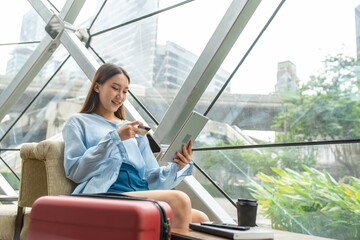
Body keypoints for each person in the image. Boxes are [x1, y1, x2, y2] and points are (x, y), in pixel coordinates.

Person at [62, 63, 209, 229]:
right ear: (97, 87)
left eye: (125, 91)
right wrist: (115, 139)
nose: (120, 96)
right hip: (108, 193)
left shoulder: (135, 129)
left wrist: (178, 166)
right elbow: (75, 171)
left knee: (200, 218)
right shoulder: (77, 122)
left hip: (139, 191)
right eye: (115, 88)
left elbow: (152, 178)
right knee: (180, 200)